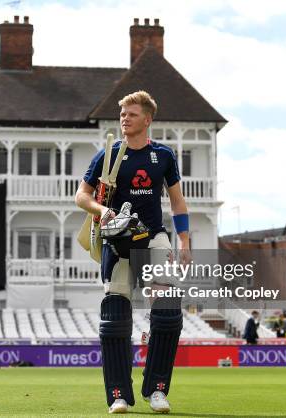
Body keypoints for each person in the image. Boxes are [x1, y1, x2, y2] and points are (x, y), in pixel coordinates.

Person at [75, 91, 190, 414]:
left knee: (167, 312)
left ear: (147, 119)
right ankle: (118, 395)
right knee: (114, 318)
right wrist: (101, 210)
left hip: (153, 237)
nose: (125, 118)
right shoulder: (107, 155)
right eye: (122, 114)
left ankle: (156, 390)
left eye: (132, 114)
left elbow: (178, 202)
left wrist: (184, 241)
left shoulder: (163, 156)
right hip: (117, 242)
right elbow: (81, 196)